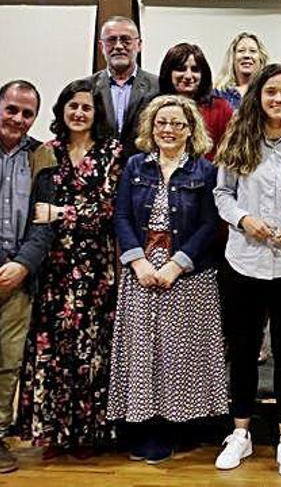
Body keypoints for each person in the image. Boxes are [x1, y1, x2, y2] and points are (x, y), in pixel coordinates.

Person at [213, 64, 281, 477]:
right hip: (244, 260)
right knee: (241, 350)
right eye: (271, 92)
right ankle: (240, 433)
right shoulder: (238, 140)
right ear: (258, 95)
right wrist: (243, 220)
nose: (279, 100)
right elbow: (222, 193)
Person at [108, 95, 226, 465]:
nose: (169, 130)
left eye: (178, 124)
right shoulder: (134, 166)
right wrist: (138, 262)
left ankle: (177, 425)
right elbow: (122, 216)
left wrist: (177, 264)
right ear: (151, 127)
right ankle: (145, 425)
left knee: (179, 354)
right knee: (143, 350)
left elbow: (210, 224)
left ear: (191, 130)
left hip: (187, 272)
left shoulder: (205, 171)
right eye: (162, 123)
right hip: (141, 269)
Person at [17, 79, 121, 460]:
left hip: (95, 267)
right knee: (52, 347)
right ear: (62, 110)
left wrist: (62, 212)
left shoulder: (111, 151)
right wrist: (63, 214)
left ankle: (88, 434)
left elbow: (108, 210)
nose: (79, 113)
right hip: (55, 265)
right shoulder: (48, 152)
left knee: (91, 348)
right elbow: (35, 209)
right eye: (73, 106)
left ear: (97, 114)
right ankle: (54, 434)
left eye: (87, 107)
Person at [0, 80, 56, 473]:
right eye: (11, 109)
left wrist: (22, 265)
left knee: (7, 362)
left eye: (27, 113)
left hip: (17, 276)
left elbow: (46, 223)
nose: (18, 119)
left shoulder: (42, 157)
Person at [89, 16, 160, 159]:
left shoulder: (159, 87)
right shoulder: (86, 88)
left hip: (145, 172)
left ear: (139, 45)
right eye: (111, 40)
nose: (119, 46)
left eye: (126, 40)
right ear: (101, 46)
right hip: (98, 174)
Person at [158, 42, 233, 160]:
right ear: (168, 72)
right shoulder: (155, 108)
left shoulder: (221, 109)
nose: (188, 75)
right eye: (181, 69)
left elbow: (229, 155)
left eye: (195, 69)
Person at [214, 32, 270, 111]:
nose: (247, 55)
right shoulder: (219, 94)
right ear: (233, 58)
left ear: (261, 58)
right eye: (241, 51)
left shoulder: (268, 92)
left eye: (252, 51)